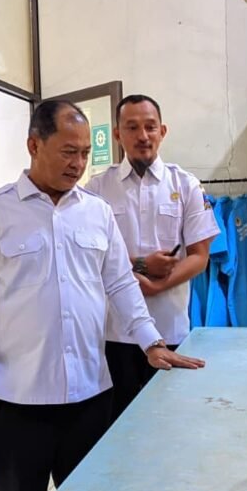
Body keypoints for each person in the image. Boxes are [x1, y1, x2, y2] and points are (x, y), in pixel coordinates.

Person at [0, 100, 205, 491]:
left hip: (90, 394)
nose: (78, 163)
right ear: (34, 145)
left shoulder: (96, 212)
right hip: (18, 397)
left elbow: (120, 283)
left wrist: (150, 341)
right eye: (68, 152)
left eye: (86, 153)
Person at [87, 94, 219, 420]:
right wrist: (142, 264)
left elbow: (200, 256)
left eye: (150, 127)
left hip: (170, 328)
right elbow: (89, 255)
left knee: (170, 420)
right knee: (117, 423)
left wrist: (158, 286)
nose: (142, 136)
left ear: (163, 131)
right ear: (117, 134)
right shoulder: (96, 189)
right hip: (114, 333)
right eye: (132, 127)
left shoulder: (185, 185)